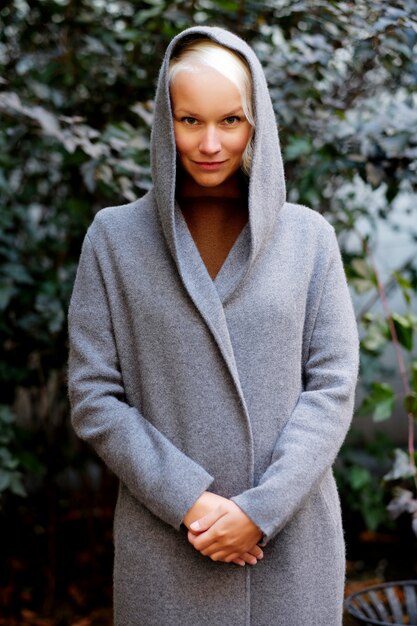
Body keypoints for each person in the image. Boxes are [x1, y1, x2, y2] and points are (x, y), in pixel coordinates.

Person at [68, 26, 359, 626]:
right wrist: (190, 501)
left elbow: (332, 386)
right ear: (163, 121)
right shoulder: (115, 239)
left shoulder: (308, 238)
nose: (209, 143)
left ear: (258, 123)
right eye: (189, 119)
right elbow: (94, 395)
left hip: (289, 540)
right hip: (168, 541)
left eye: (230, 120)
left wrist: (261, 509)